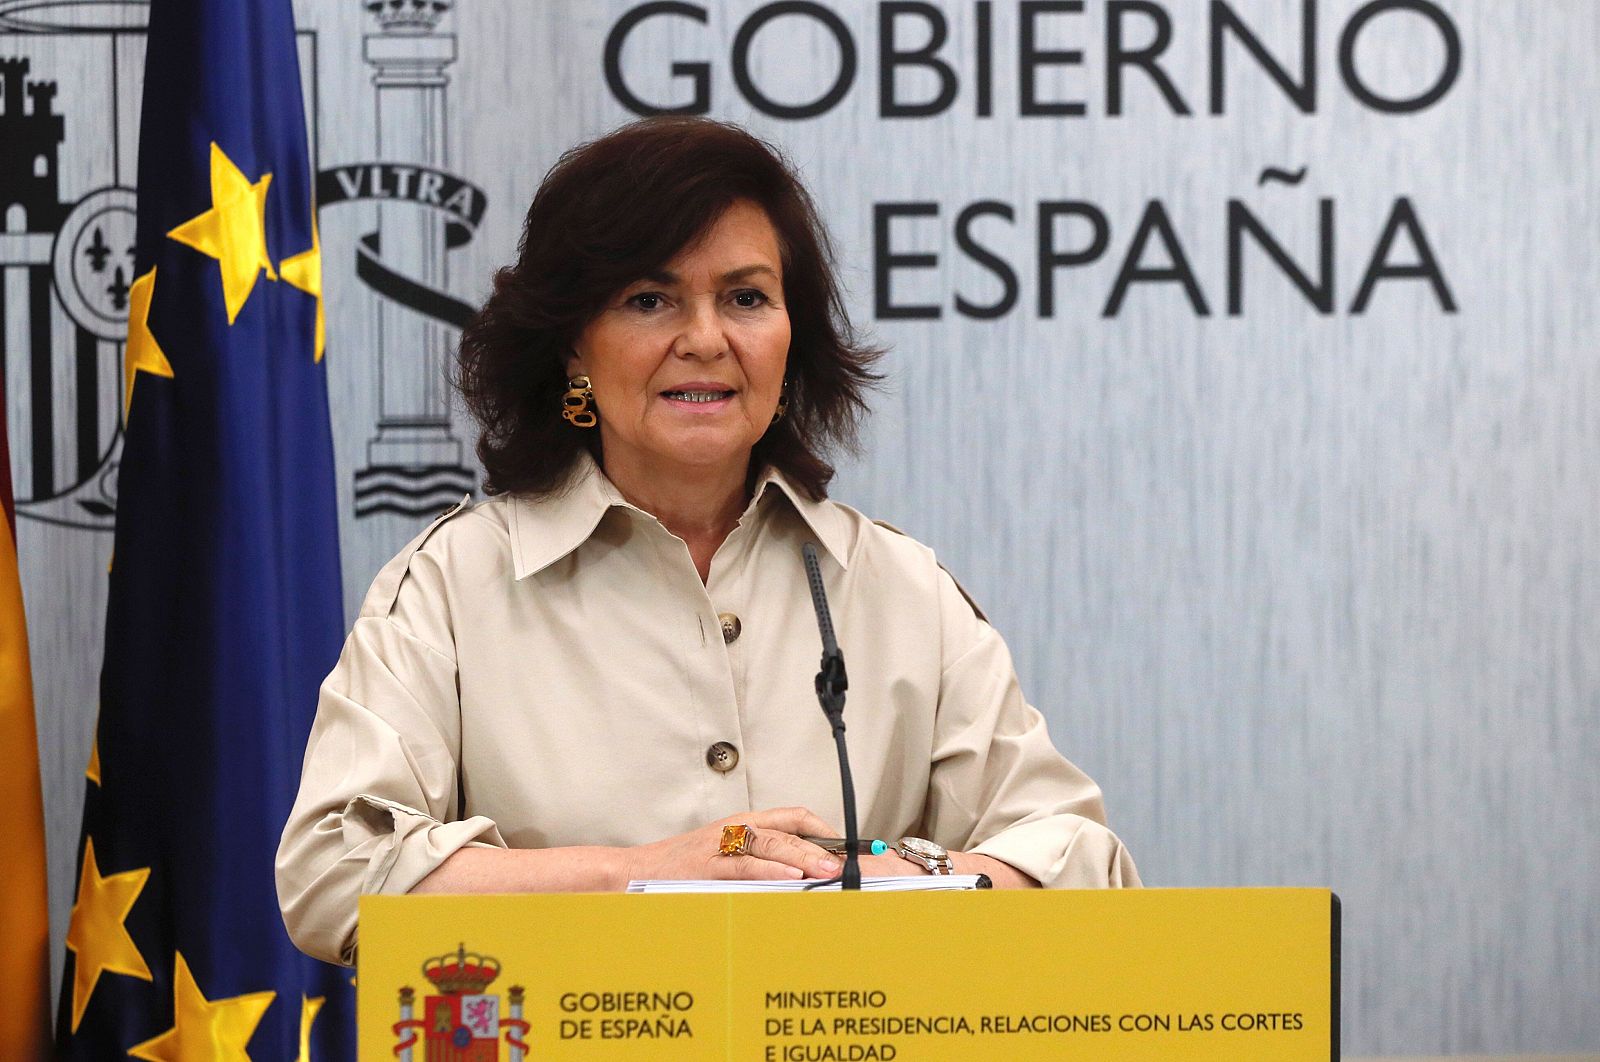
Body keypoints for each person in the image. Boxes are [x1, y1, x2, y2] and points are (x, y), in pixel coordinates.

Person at [275, 117, 1138, 966]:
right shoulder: (455, 583)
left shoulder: (895, 584)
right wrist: (646, 878)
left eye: (746, 298)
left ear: (791, 341)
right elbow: (332, 873)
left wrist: (897, 873)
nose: (705, 339)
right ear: (575, 346)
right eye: (649, 300)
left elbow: (1082, 862)